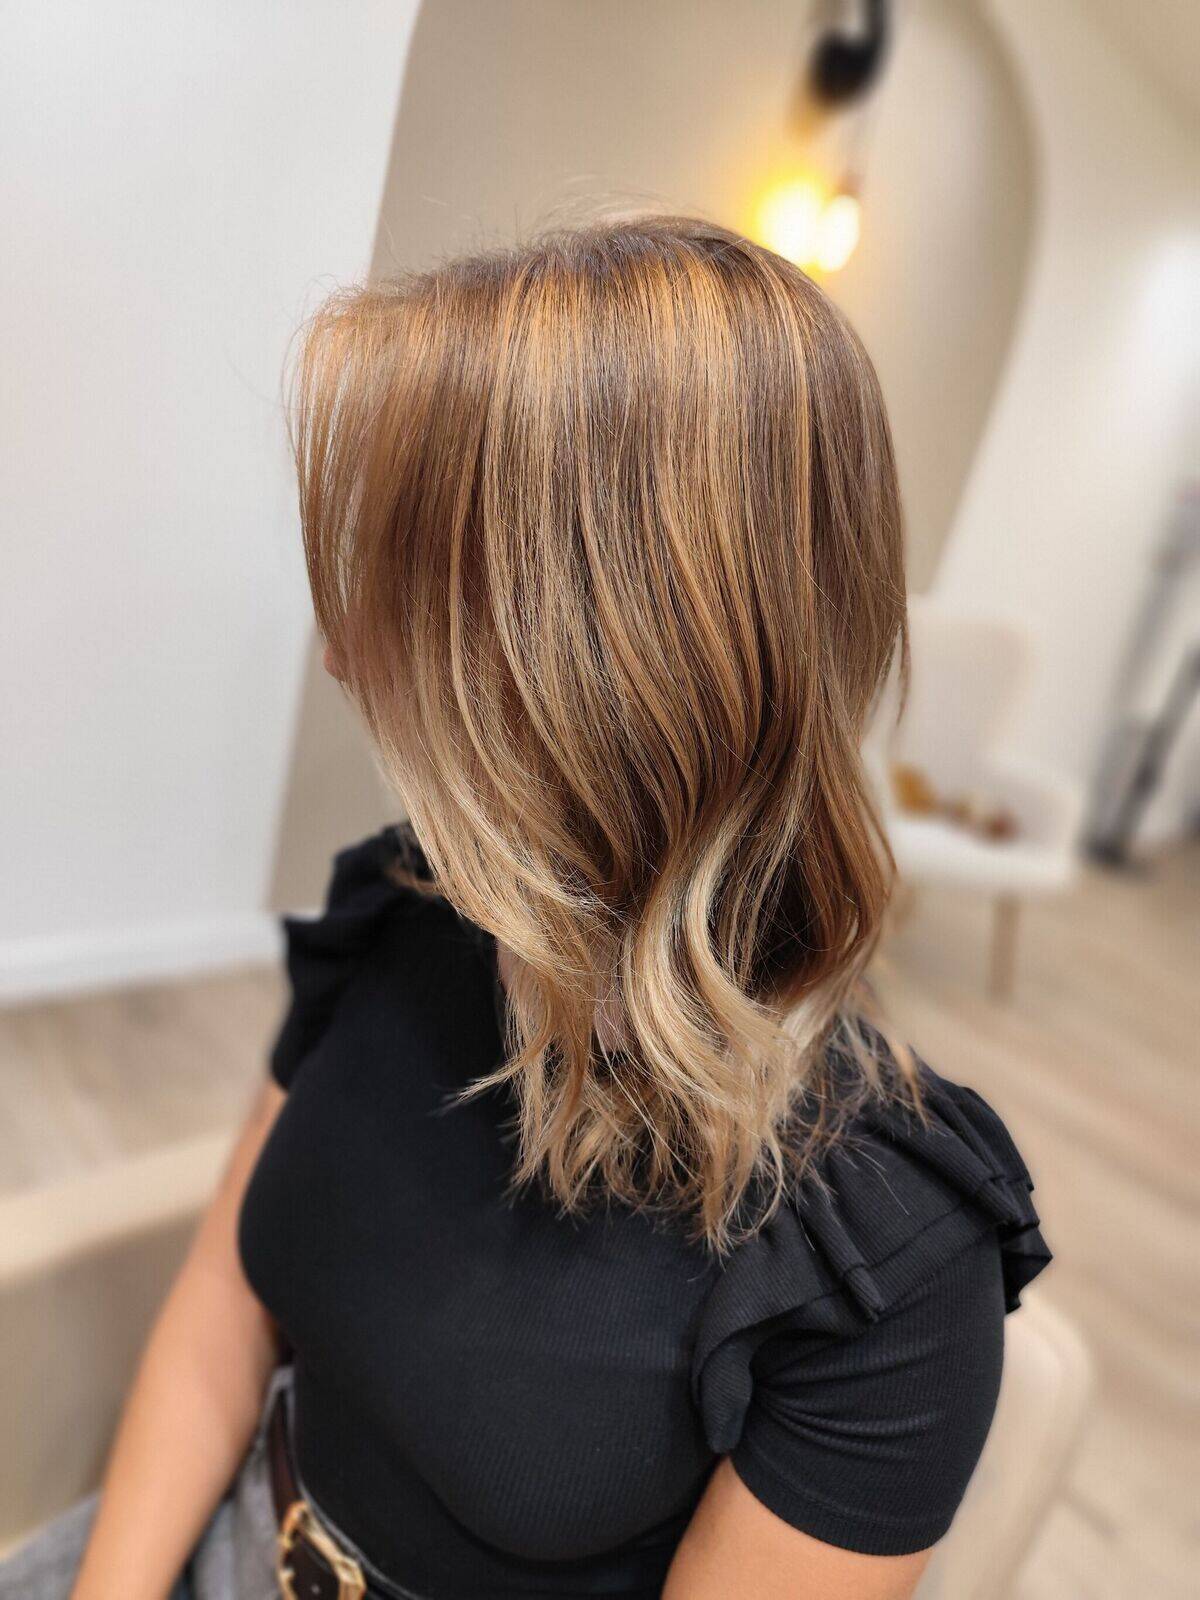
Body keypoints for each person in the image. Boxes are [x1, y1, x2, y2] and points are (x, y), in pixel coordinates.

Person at [4, 216, 1050, 1600]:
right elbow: (223, 1308)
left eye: (405, 588)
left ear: (595, 660)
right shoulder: (400, 912)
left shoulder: (882, 1273)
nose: (341, 651)